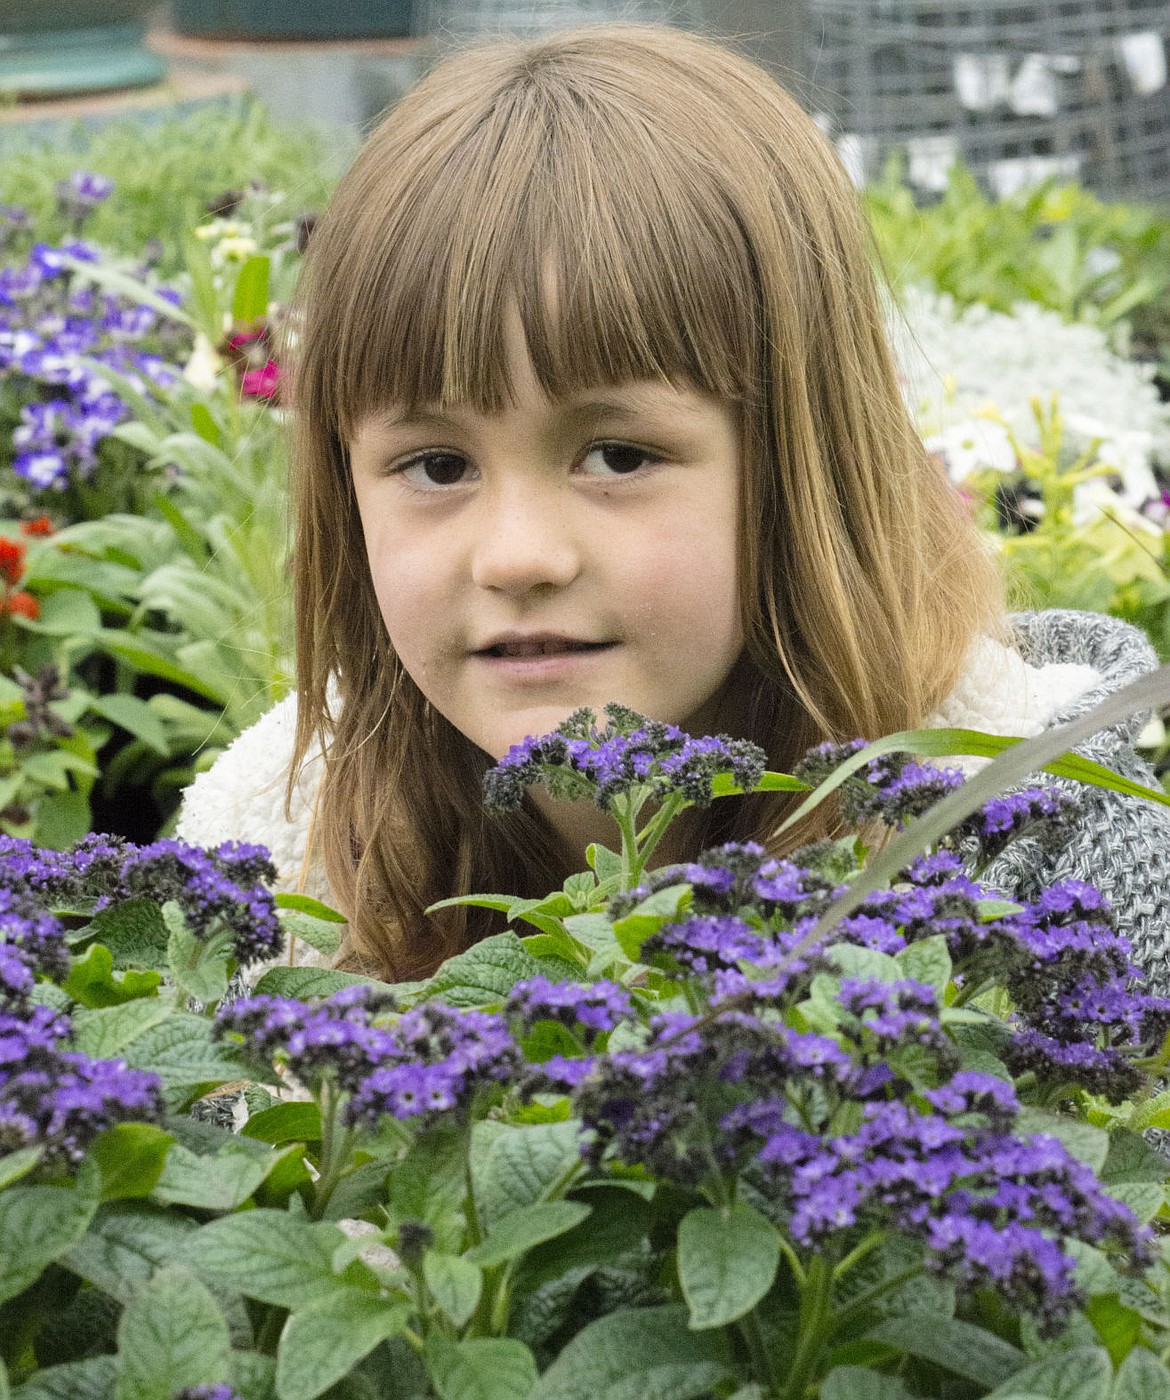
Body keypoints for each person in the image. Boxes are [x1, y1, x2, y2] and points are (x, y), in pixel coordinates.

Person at [176, 22, 1170, 988]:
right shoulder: (267, 870)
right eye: (438, 466)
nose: (518, 557)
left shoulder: (1050, 878)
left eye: (618, 454)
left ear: (801, 468)